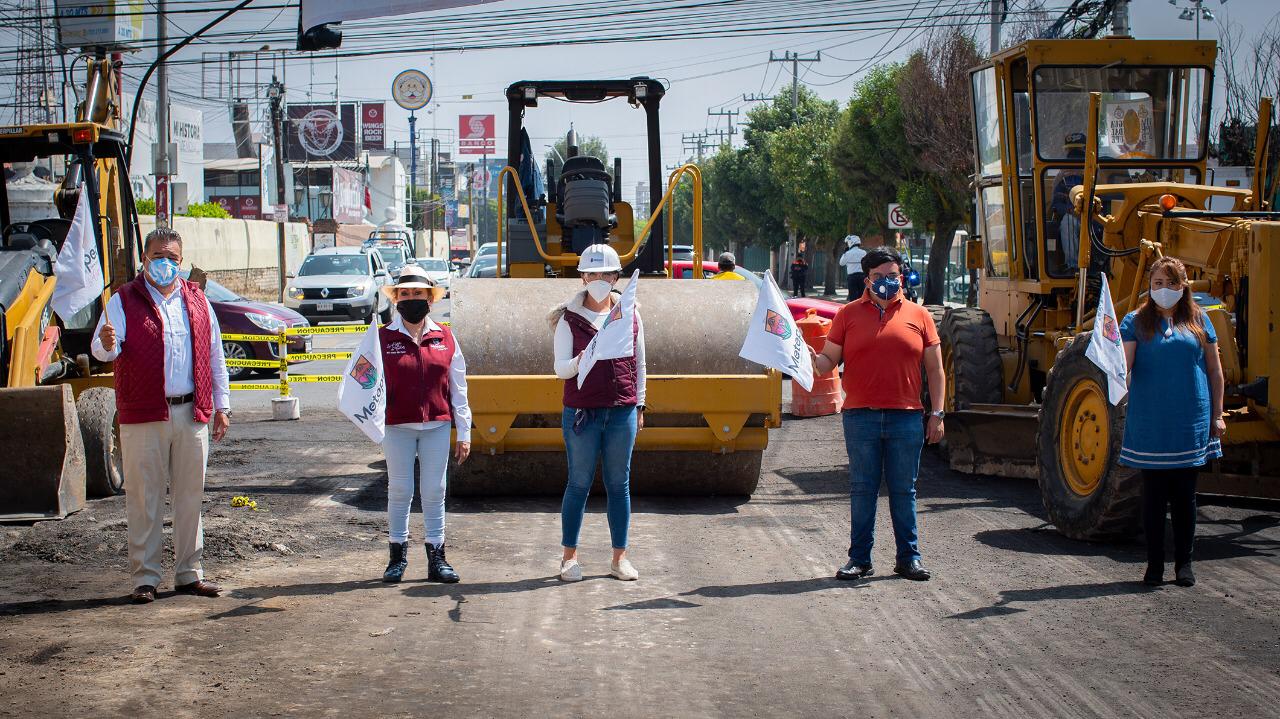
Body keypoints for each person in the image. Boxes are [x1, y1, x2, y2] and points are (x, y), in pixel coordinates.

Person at [90, 228, 231, 604]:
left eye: (172, 257)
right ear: (145, 258)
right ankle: (146, 577)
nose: (165, 263)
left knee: (191, 496)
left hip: (191, 412)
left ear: (180, 262)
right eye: (158, 256)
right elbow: (105, 349)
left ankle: (189, 574)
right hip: (144, 415)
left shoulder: (198, 301)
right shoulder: (123, 300)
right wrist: (106, 344)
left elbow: (216, 356)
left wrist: (223, 405)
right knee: (144, 497)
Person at [810, 245, 945, 582]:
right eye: (878, 277)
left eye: (892, 276)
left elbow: (936, 370)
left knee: (904, 491)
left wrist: (938, 414)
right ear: (866, 280)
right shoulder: (848, 314)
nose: (886, 281)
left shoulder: (920, 315)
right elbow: (828, 361)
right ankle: (859, 560)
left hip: (907, 418)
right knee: (863, 489)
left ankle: (908, 558)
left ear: (902, 277)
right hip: (860, 417)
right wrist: (807, 358)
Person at [1118, 257, 1224, 588]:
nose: (1165, 290)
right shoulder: (1135, 321)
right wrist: (1113, 364)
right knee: (1153, 495)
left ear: (1184, 285)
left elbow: (1214, 370)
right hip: (1151, 419)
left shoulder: (1199, 319)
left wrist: (1218, 415)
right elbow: (1124, 366)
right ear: (1149, 287)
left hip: (1189, 419)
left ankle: (1184, 563)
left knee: (1184, 496)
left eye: (1172, 283)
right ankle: (1153, 565)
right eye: (1158, 283)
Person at [549, 244, 647, 582]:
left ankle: (619, 559)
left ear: (617, 276)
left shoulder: (630, 314)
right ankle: (568, 559)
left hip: (622, 412)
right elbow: (560, 369)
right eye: (592, 273)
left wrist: (640, 402)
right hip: (582, 414)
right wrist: (584, 359)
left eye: (606, 273)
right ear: (582, 277)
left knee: (619, 484)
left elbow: (639, 363)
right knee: (578, 483)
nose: (599, 279)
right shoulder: (568, 320)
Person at [378, 265, 472, 584]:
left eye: (418, 293)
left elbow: (458, 387)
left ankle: (437, 558)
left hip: (437, 424)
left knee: (434, 490)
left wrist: (465, 431)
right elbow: (364, 384)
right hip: (397, 427)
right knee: (400, 490)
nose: (411, 299)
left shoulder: (445, 337)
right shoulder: (381, 339)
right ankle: (397, 557)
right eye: (405, 294)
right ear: (396, 300)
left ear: (430, 298)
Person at [837, 235, 866, 302]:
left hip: (852, 277)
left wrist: (844, 253)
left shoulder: (848, 253)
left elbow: (841, 263)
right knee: (861, 297)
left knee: (853, 297)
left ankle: (853, 311)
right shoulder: (864, 252)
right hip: (862, 276)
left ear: (851, 242)